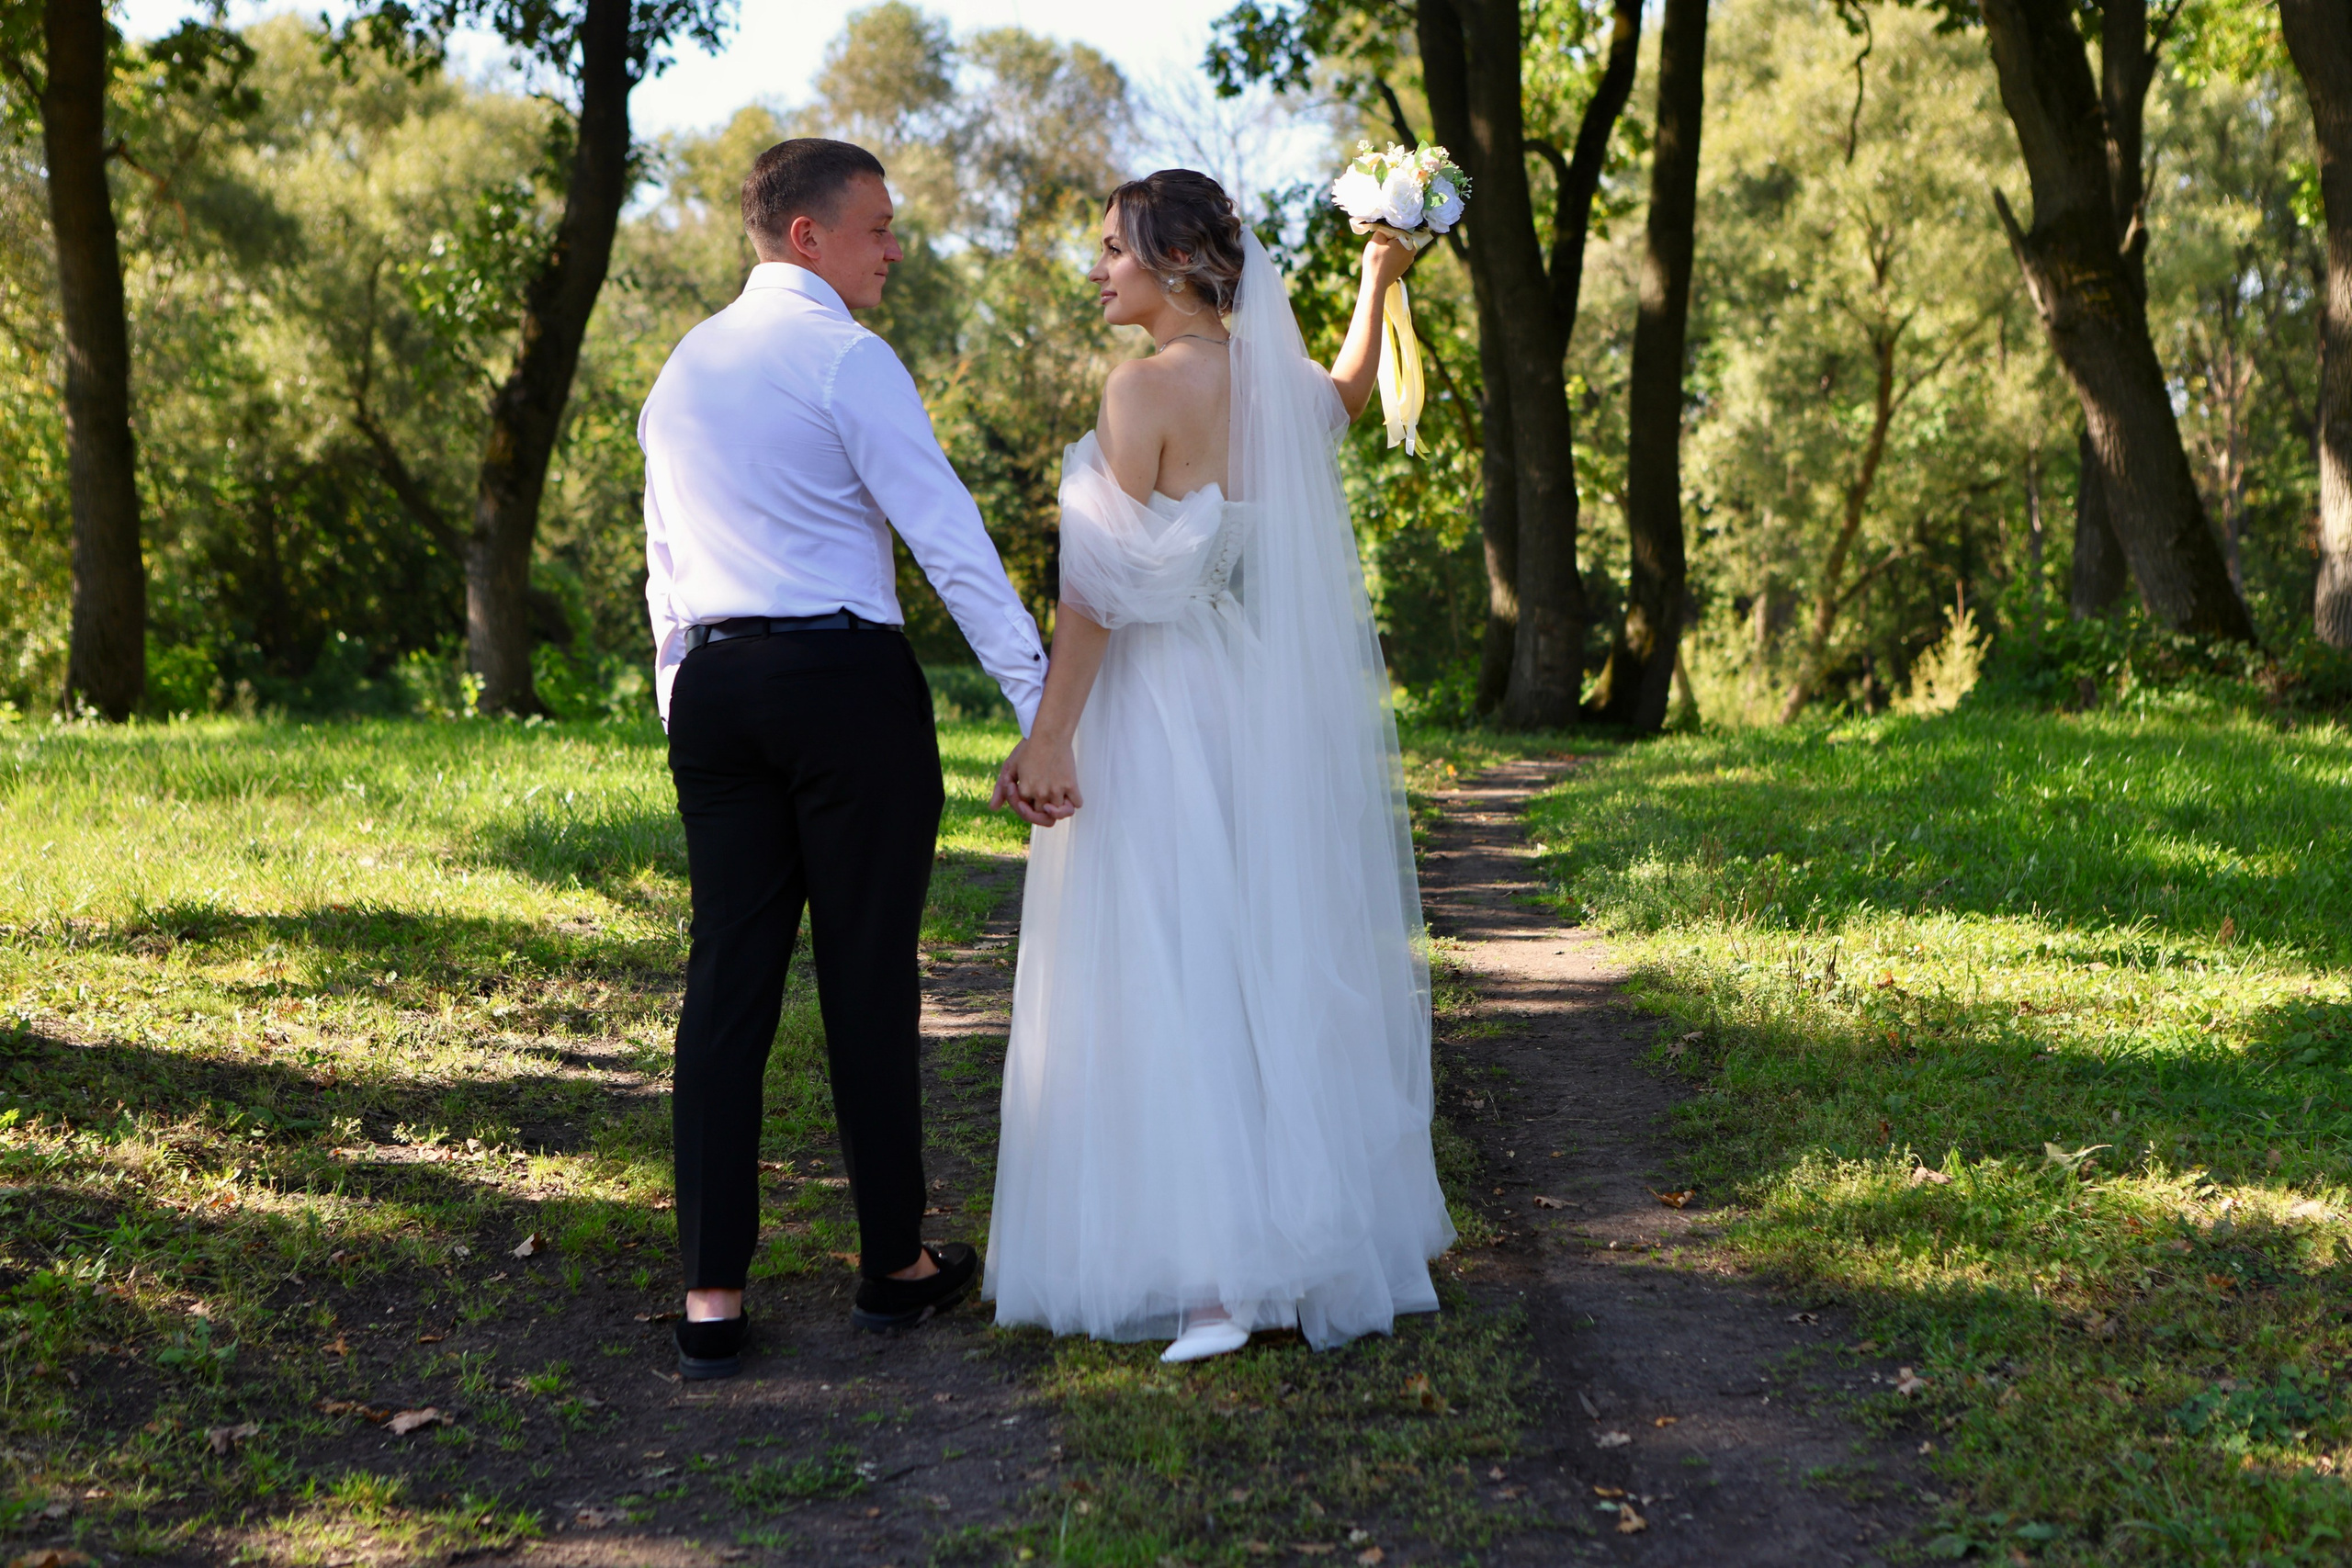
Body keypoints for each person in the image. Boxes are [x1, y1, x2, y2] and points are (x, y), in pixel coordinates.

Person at [983, 170, 1453, 1361]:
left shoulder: (1141, 391)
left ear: (1177, 259)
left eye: (1112, 249)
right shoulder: (1279, 386)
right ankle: (1288, 1253)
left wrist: (1052, 736)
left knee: (1165, 966)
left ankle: (1208, 1283)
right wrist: (1379, 274)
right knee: (1255, 960)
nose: (1097, 269)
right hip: (1249, 700)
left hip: (1154, 706)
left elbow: (1094, 596)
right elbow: (1347, 397)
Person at [639, 138, 1048, 1380]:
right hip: (840, 685)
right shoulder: (844, 359)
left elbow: (661, 560)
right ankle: (893, 1267)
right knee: (865, 975)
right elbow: (949, 538)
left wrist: (681, 700)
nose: (896, 248)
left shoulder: (681, 367)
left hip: (714, 688)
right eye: (879, 227)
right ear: (805, 236)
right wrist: (1044, 706)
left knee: (728, 984)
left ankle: (712, 1294)